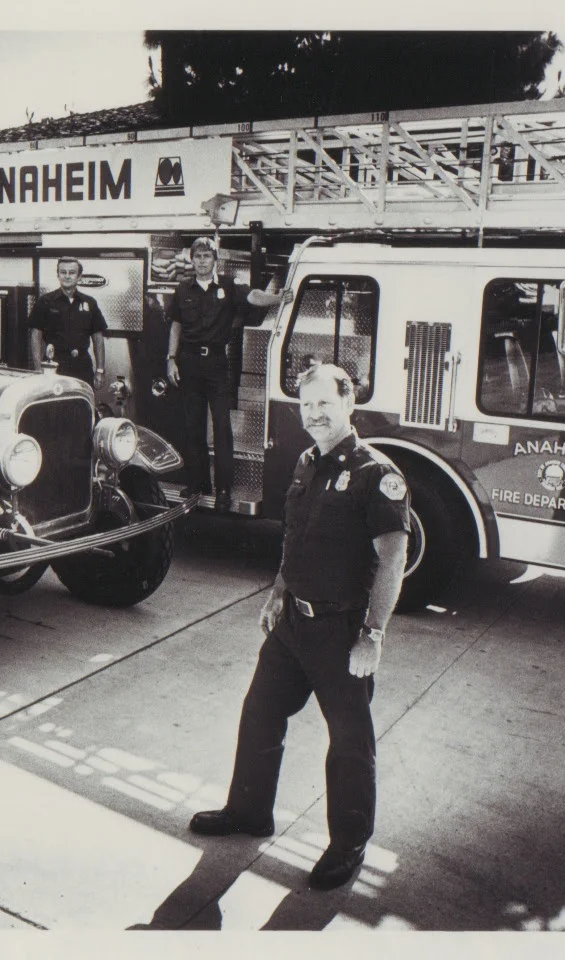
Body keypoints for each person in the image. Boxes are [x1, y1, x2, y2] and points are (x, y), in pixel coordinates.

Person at [189, 363, 410, 892]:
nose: (313, 414)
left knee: (350, 740)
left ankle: (348, 844)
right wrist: (278, 592)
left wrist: (373, 634)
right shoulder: (307, 461)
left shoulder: (376, 474)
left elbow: (393, 558)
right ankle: (249, 811)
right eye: (306, 404)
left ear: (348, 403)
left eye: (324, 404)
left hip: (341, 631)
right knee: (259, 713)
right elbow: (299, 537)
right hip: (293, 623)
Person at [165, 238, 289, 511]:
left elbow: (254, 296)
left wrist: (278, 298)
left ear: (215, 260)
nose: (201, 261)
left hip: (217, 364)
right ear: (191, 259)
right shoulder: (183, 289)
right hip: (188, 363)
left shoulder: (229, 285)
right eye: (197, 256)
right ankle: (198, 484)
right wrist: (171, 359)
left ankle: (223, 488)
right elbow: (175, 326)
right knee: (193, 426)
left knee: (222, 427)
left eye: (206, 256)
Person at [28, 258, 107, 386]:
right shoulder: (45, 301)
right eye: (63, 272)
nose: (67, 276)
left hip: (82, 367)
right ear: (58, 275)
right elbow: (36, 336)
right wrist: (38, 369)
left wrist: (100, 370)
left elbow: (98, 338)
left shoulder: (89, 302)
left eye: (72, 272)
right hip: (53, 367)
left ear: (79, 276)